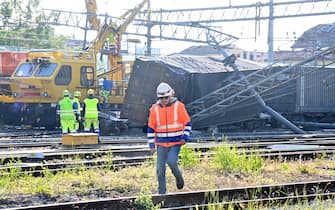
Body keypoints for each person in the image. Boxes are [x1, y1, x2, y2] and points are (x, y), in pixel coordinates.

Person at [147, 82, 192, 194]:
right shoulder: (154, 109)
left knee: (172, 162)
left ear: (170, 95)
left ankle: (179, 178)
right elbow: (151, 129)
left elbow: (188, 123)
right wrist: (151, 145)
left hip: (176, 143)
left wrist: (185, 137)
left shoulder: (179, 106)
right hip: (161, 144)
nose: (164, 100)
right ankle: (162, 193)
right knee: (160, 170)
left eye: (166, 97)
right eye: (161, 98)